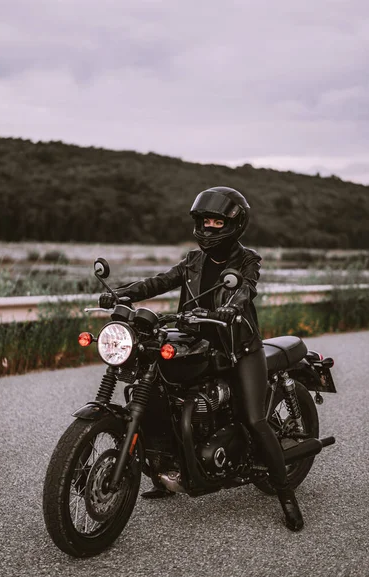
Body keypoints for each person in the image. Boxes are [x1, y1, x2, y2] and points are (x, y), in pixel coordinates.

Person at [99, 186, 304, 532]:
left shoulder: (246, 259)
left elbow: (245, 288)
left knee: (255, 419)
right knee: (155, 392)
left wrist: (229, 307)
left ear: (233, 224)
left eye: (216, 221)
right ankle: (164, 474)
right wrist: (122, 293)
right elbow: (158, 282)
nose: (209, 228)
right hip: (196, 342)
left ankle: (286, 495)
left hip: (237, 348)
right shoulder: (193, 261)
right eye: (204, 221)